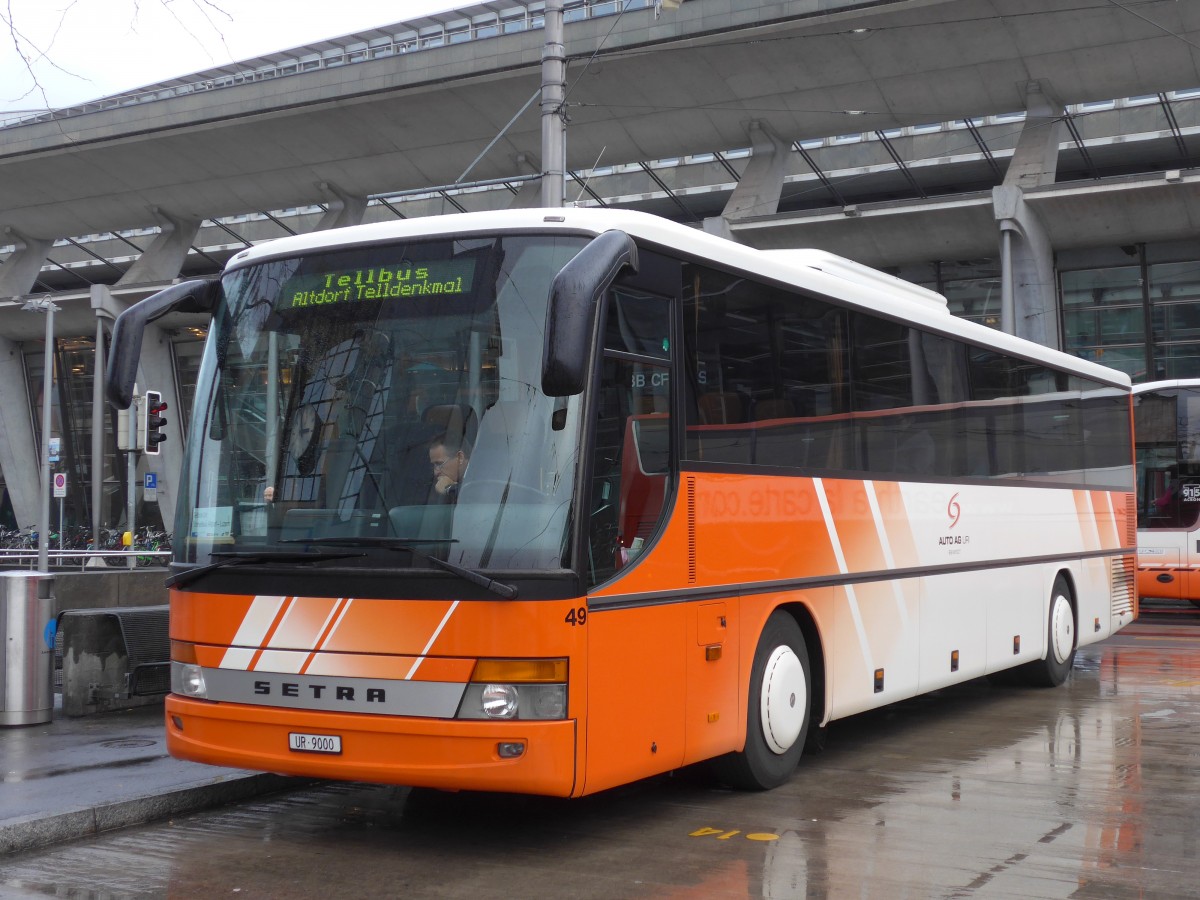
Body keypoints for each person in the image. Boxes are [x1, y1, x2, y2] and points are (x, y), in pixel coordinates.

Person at [428, 431, 469, 499]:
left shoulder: (484, 477)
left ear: (460, 458)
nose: (436, 472)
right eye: (434, 465)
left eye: (439, 464)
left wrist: (449, 488)